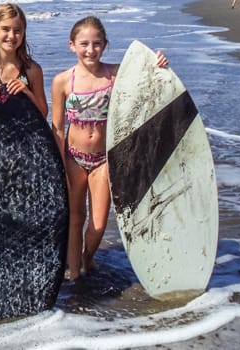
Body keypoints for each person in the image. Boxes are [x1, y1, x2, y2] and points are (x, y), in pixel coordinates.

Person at [51, 16, 168, 281]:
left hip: (103, 159)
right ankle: (73, 275)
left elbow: (149, 74)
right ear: (72, 45)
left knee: (99, 222)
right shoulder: (62, 81)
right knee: (75, 218)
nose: (90, 50)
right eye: (84, 44)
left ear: (105, 45)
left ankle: (86, 258)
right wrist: (58, 163)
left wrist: (159, 61)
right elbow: (57, 127)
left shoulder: (115, 74)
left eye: (96, 44)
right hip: (73, 159)